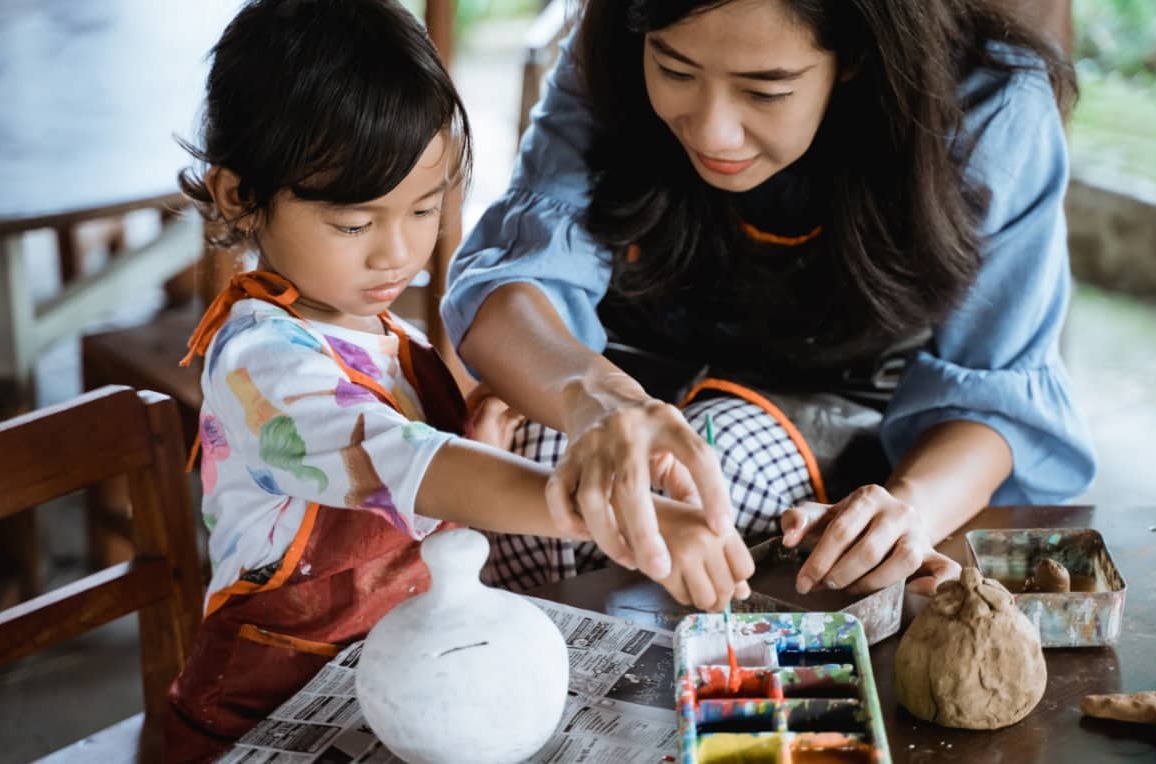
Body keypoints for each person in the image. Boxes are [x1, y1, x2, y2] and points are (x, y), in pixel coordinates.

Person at [162, 1, 754, 759]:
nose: (397, 253)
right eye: (355, 223)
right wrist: (602, 511)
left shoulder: (383, 333)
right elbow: (402, 464)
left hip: (391, 679)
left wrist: (476, 428)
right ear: (239, 196)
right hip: (266, 708)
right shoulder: (260, 366)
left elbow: (407, 469)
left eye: (425, 208)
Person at [443, 0, 1097, 597]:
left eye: (766, 89)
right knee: (546, 477)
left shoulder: (989, 109)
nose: (713, 131)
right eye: (675, 71)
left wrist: (906, 510)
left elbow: (998, 393)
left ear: (855, 56)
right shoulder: (615, 34)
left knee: (722, 488)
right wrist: (589, 398)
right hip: (624, 368)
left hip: (849, 419)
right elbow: (518, 280)